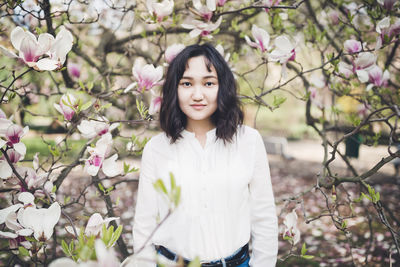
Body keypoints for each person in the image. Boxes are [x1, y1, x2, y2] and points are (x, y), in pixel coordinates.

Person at [132, 43, 278, 267]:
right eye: (187, 83)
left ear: (222, 87)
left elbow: (264, 217)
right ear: (174, 89)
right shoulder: (156, 149)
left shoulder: (248, 141)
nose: (197, 94)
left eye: (209, 83)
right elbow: (144, 226)